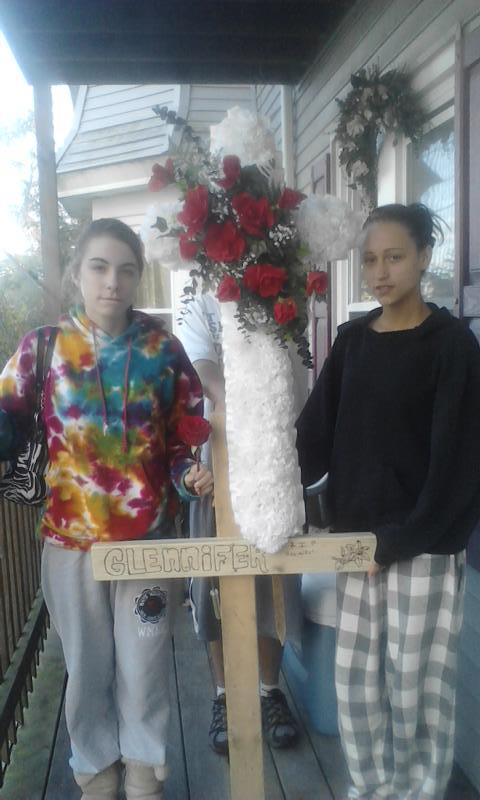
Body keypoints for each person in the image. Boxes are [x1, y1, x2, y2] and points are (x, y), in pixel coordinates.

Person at [0, 218, 213, 800]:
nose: (112, 281)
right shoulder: (42, 348)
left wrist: (189, 475)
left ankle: (144, 777)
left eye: (125, 269)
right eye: (99, 267)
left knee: (145, 669)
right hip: (70, 546)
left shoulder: (163, 352)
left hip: (148, 543)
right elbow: (6, 419)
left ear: (138, 277)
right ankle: (95, 774)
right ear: (77, 273)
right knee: (87, 670)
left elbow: (184, 437)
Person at [296, 203, 480, 800]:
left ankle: (419, 788)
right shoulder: (351, 342)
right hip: (356, 543)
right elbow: (313, 437)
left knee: (416, 681)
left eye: (395, 257)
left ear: (424, 257)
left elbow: (460, 464)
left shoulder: (452, 346)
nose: (380, 271)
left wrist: (399, 540)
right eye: (370, 259)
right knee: (356, 682)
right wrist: (271, 489)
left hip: (422, 545)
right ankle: (370, 787)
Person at [178, 293, 301, 755]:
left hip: (272, 453)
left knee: (274, 574)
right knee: (212, 578)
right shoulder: (197, 305)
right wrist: (242, 412)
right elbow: (204, 370)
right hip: (217, 453)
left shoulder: (275, 291)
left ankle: (270, 691)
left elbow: (292, 368)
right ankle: (224, 696)